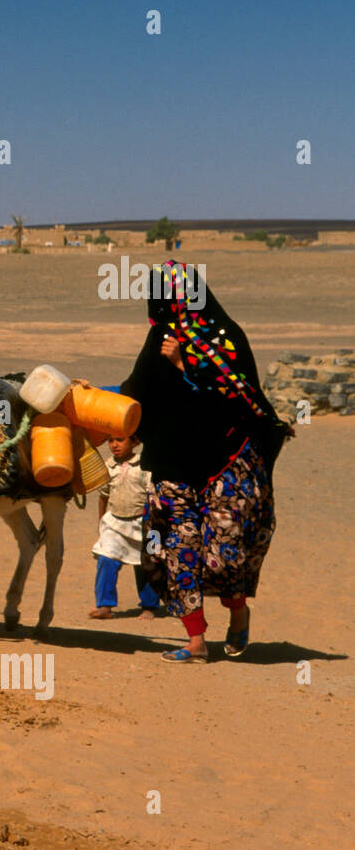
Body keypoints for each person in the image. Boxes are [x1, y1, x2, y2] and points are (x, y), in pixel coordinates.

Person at [121, 261, 292, 663]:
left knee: (225, 553)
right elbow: (138, 391)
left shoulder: (226, 337)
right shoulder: (158, 337)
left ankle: (237, 613)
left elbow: (239, 399)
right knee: (178, 550)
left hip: (225, 461)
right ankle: (195, 641)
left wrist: (186, 366)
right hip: (171, 463)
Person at [88, 434, 161, 620]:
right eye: (111, 440)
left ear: (135, 442)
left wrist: (156, 527)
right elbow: (103, 497)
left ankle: (149, 606)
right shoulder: (107, 466)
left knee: (147, 564)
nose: (114, 445)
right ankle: (104, 605)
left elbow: (153, 496)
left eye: (120, 440)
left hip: (143, 523)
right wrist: (101, 524)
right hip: (114, 522)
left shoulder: (144, 466)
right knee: (106, 559)